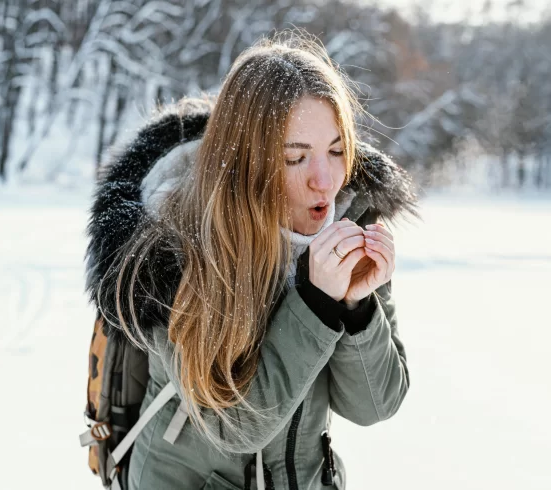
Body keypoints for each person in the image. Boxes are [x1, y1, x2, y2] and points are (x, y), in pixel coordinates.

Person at [85, 31, 421, 490]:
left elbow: (375, 405)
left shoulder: (349, 222)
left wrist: (358, 309)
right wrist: (317, 303)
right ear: (245, 161)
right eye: (294, 158)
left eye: (337, 150)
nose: (325, 180)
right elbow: (232, 425)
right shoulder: (172, 247)